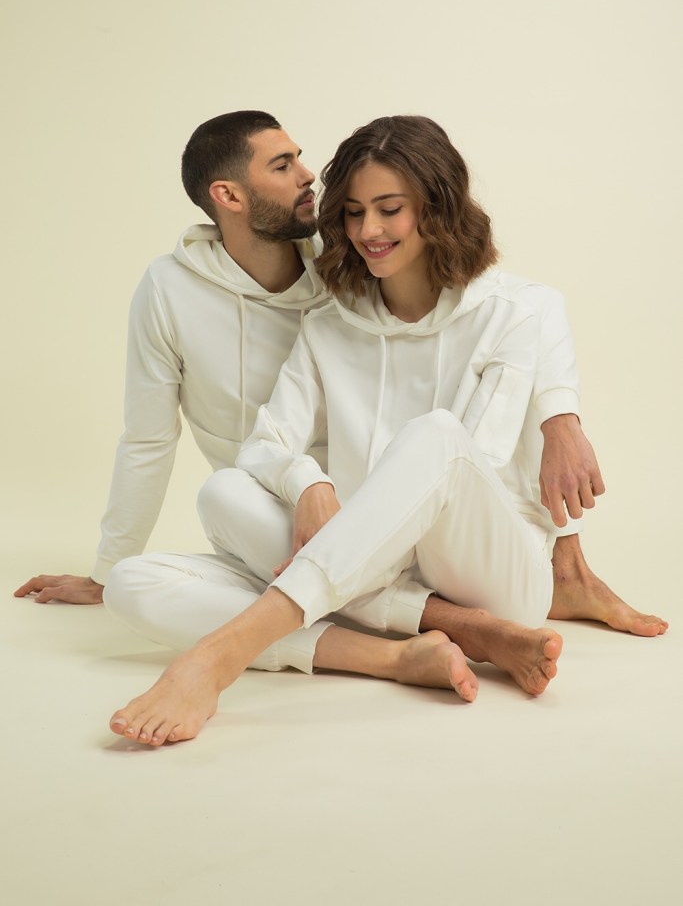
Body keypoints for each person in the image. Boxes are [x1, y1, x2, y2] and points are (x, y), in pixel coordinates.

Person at [107, 115, 665, 748]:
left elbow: (491, 455)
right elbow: (265, 445)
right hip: (368, 570)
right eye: (352, 213)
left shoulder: (515, 311)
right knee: (194, 520)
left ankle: (221, 655)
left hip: (490, 580)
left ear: (436, 207)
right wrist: (310, 482)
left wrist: (562, 421)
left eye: (389, 210)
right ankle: (403, 650)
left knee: (437, 437)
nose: (368, 231)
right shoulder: (328, 325)